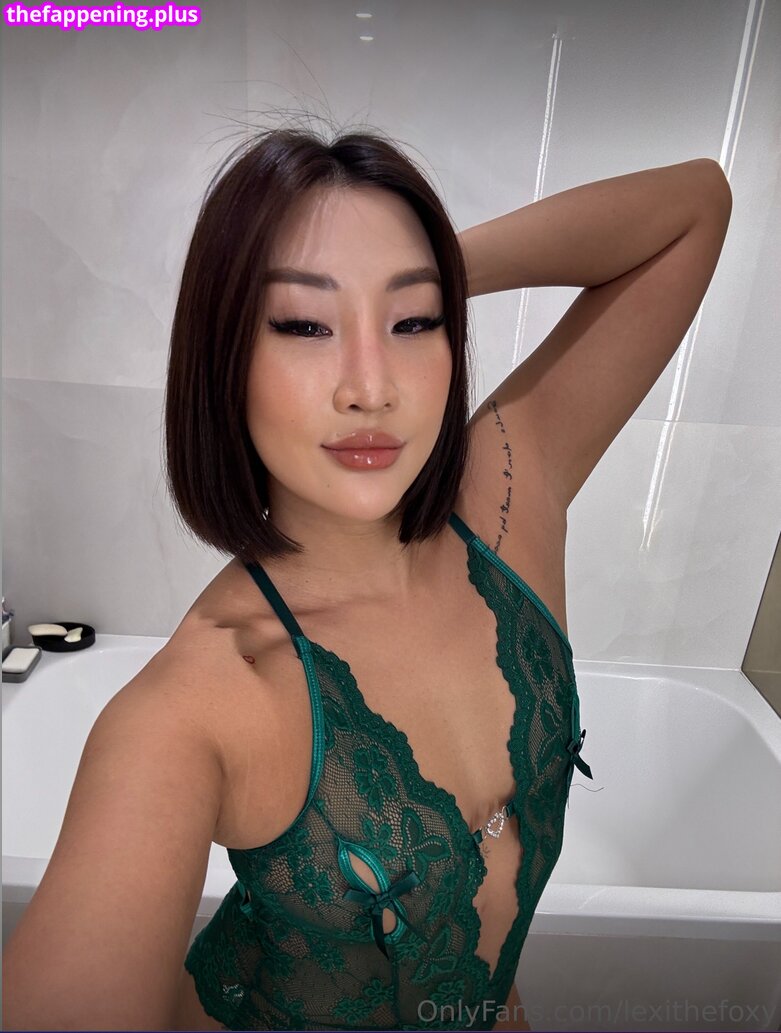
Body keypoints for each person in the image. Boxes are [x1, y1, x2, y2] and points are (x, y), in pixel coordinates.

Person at [2, 122, 731, 1032]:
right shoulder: (196, 704)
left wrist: (431, 267)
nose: (370, 385)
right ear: (226, 353)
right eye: (305, 324)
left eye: (412, 322)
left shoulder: (503, 502)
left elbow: (694, 205)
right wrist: (398, 288)